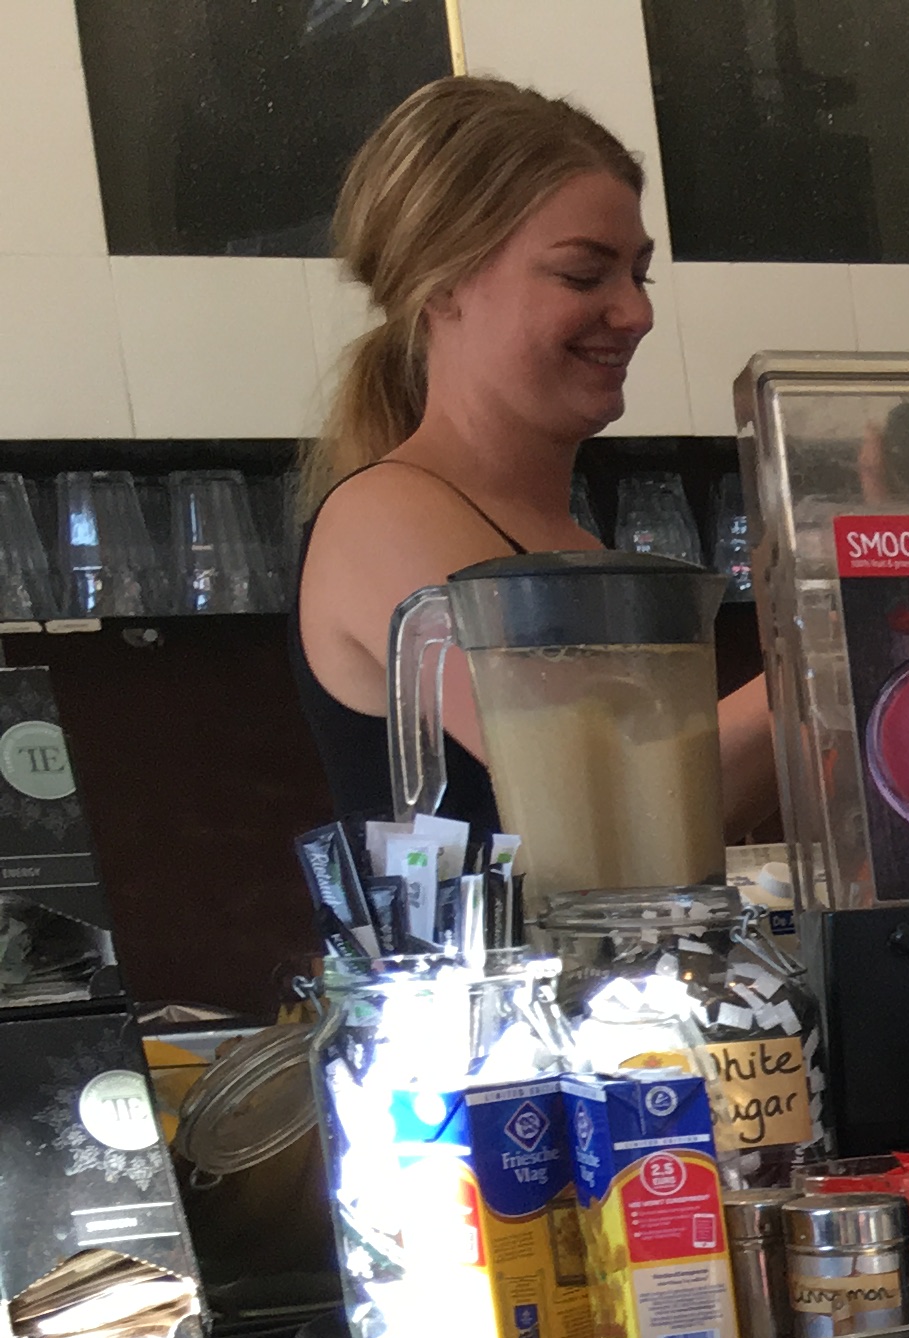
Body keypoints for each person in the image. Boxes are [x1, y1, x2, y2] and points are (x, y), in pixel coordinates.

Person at [295, 77, 775, 842]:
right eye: (584, 274)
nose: (638, 313)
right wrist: (834, 653)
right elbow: (614, 801)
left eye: (639, 274)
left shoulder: (569, 543)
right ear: (443, 285)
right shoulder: (384, 516)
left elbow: (680, 821)